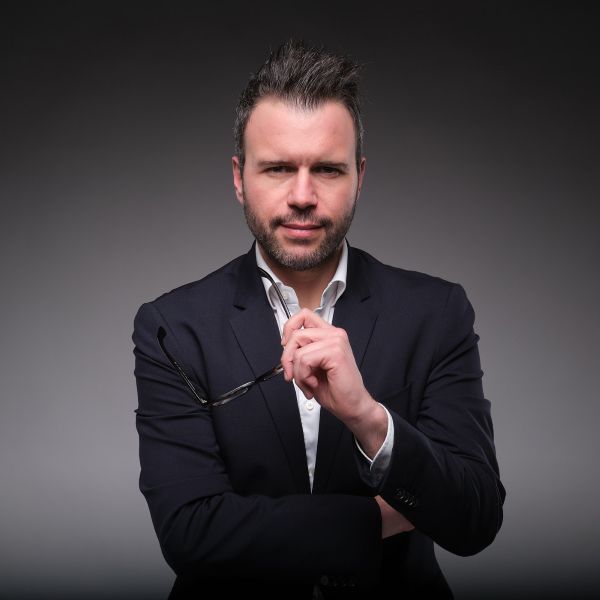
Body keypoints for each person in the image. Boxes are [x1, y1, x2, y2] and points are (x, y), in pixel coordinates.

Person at [132, 39, 505, 599]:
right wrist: (375, 520)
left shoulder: (436, 312)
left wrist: (369, 419)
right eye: (278, 168)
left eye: (327, 170)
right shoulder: (171, 327)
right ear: (239, 178)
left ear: (360, 176)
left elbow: (475, 516)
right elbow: (190, 532)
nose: (302, 196)